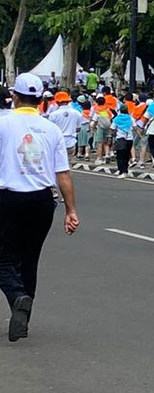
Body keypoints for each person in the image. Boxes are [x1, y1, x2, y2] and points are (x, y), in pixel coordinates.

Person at [0, 73, 79, 342]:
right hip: (43, 200)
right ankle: (23, 318)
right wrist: (71, 210)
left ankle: (17, 297)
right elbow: (63, 174)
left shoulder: (3, 123)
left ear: (15, 96)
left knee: (3, 257)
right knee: (29, 258)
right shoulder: (51, 129)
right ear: (39, 100)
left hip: (9, 198)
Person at [47, 92, 84, 159]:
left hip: (57, 142)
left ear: (57, 102)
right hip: (71, 142)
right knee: (69, 164)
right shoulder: (77, 113)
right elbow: (78, 128)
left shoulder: (53, 115)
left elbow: (50, 131)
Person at [111, 108, 134, 178]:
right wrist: (140, 136)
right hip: (130, 139)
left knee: (120, 156)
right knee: (127, 155)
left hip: (120, 138)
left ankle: (122, 171)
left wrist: (113, 135)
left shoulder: (117, 119)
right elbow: (135, 127)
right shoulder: (130, 118)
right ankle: (126, 170)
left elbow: (112, 128)